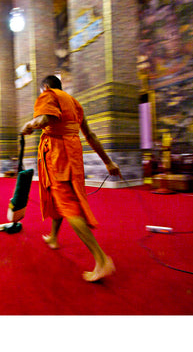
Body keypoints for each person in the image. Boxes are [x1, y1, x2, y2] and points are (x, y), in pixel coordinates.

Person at [21, 75, 122, 282]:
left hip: (58, 156)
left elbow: (45, 119)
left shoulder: (48, 95)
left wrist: (29, 125)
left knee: (67, 203)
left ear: (46, 87)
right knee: (60, 197)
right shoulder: (75, 103)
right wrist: (108, 162)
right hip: (72, 155)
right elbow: (91, 135)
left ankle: (101, 259)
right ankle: (54, 238)